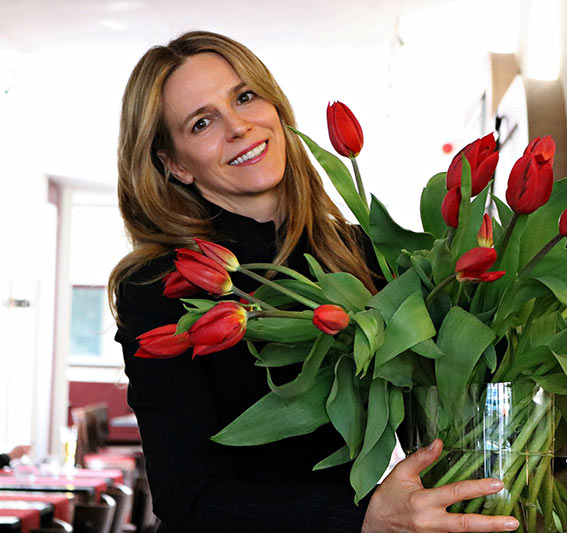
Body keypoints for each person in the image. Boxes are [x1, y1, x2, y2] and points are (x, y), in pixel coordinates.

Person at [110, 31, 523, 533]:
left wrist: (541, 479)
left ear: (275, 106)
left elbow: (456, 410)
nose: (238, 126)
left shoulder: (365, 253)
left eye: (244, 96)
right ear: (175, 165)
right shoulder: (159, 285)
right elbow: (186, 495)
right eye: (202, 122)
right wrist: (361, 519)